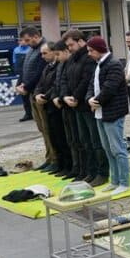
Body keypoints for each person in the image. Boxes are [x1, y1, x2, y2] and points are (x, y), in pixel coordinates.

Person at [85, 36, 130, 195]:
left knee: (117, 149)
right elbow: (92, 85)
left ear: (99, 50)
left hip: (112, 113)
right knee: (107, 149)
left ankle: (124, 182)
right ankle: (115, 180)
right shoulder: (98, 65)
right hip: (100, 113)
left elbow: (109, 88)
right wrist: (89, 99)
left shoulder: (114, 64)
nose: (89, 54)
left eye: (91, 51)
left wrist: (95, 101)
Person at [61, 29, 106, 186]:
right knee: (84, 140)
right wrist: (65, 95)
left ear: (80, 41)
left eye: (71, 44)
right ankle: (89, 170)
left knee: (95, 141)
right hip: (76, 106)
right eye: (67, 46)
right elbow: (65, 78)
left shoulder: (89, 58)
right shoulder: (73, 59)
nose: (70, 48)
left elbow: (87, 80)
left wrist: (76, 97)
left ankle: (101, 172)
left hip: (87, 106)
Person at [17, 28, 53, 170]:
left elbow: (39, 73)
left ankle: (53, 158)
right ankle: (49, 157)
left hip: (40, 94)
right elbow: (25, 70)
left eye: (27, 40)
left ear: (36, 36)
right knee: (42, 128)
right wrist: (20, 84)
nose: (25, 43)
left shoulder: (43, 49)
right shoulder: (31, 50)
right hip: (33, 93)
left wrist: (26, 87)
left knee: (47, 127)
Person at [34, 41, 72, 177]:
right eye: (41, 54)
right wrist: (38, 94)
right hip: (47, 106)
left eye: (45, 53)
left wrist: (47, 95)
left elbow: (57, 84)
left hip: (56, 105)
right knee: (53, 136)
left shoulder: (59, 66)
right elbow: (40, 83)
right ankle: (58, 163)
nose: (43, 56)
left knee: (62, 137)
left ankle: (67, 164)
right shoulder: (47, 68)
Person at [50, 40, 78, 179]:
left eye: (58, 54)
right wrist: (56, 96)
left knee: (78, 140)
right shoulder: (61, 65)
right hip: (63, 104)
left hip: (72, 105)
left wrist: (63, 97)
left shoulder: (72, 63)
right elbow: (58, 83)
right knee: (69, 138)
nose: (57, 57)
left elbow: (71, 83)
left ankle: (78, 167)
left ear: (66, 51)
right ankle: (70, 166)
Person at [13, 36, 32, 121]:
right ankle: (28, 113)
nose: (20, 42)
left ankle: (32, 113)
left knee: (30, 92)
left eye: (22, 40)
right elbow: (14, 61)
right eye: (19, 40)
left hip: (29, 73)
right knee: (22, 92)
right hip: (21, 74)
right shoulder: (16, 50)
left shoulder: (30, 49)